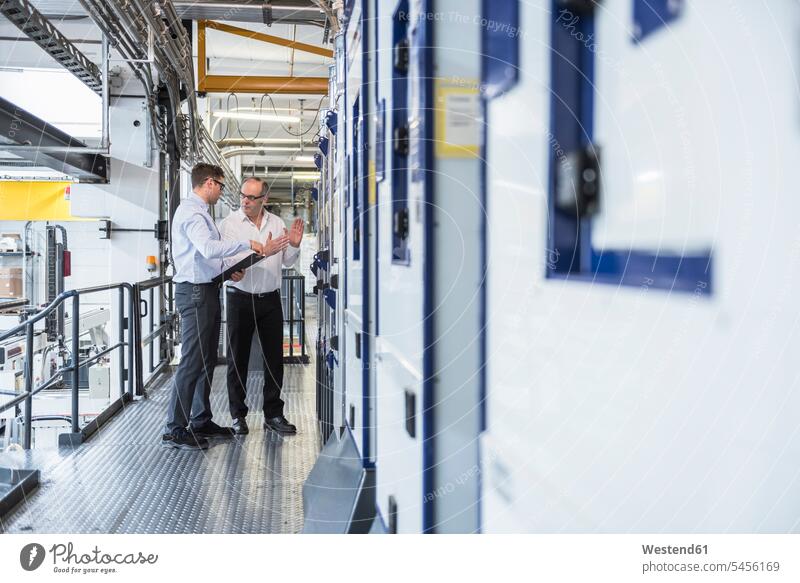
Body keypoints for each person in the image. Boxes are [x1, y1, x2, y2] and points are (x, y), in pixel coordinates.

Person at [163, 164, 267, 450]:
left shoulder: (199, 213)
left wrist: (226, 269)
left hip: (206, 289)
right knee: (193, 360)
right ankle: (175, 428)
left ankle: (200, 420)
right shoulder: (193, 213)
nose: (222, 192)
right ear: (209, 183)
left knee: (207, 360)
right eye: (221, 186)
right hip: (196, 293)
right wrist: (246, 243)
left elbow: (204, 257)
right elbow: (208, 248)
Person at [219, 176, 304, 435]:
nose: (245, 200)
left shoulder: (276, 223)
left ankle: (273, 414)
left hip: (269, 300)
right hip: (239, 299)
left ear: (264, 199)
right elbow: (230, 261)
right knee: (238, 360)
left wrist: (295, 246)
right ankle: (238, 416)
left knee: (273, 361)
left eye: (251, 197)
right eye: (243, 195)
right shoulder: (230, 224)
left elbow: (287, 261)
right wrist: (261, 253)